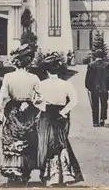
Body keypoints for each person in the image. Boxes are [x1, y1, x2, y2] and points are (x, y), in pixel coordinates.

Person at [0, 44, 43, 186]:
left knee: (12, 139)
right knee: (28, 139)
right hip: (29, 111)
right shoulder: (34, 78)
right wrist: (31, 101)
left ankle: (13, 170)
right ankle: (26, 171)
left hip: (13, 110)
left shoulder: (8, 77)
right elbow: (40, 97)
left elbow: (2, 96)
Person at [36, 54, 83, 186]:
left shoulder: (41, 84)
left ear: (46, 70)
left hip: (46, 115)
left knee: (48, 143)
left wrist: (44, 108)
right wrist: (63, 112)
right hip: (62, 116)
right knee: (62, 142)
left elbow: (35, 101)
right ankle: (67, 175)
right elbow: (74, 101)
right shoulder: (66, 84)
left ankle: (52, 176)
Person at [85, 49, 109, 127]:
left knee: (95, 104)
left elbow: (88, 77)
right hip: (104, 88)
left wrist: (88, 86)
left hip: (94, 88)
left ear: (95, 56)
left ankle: (95, 122)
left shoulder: (91, 65)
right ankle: (102, 119)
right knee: (104, 104)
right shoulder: (106, 65)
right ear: (102, 56)